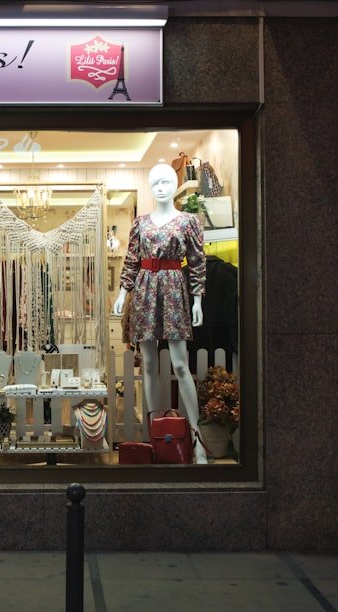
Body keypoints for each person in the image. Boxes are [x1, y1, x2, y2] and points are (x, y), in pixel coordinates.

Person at [112, 163, 208, 464]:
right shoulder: (140, 223)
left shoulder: (188, 221)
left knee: (181, 364)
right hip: (144, 290)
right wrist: (122, 294)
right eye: (155, 183)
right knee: (149, 365)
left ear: (175, 183)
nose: (161, 187)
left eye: (167, 181)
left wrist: (197, 301)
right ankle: (155, 437)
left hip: (174, 288)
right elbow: (130, 261)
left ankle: (197, 438)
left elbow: (197, 262)